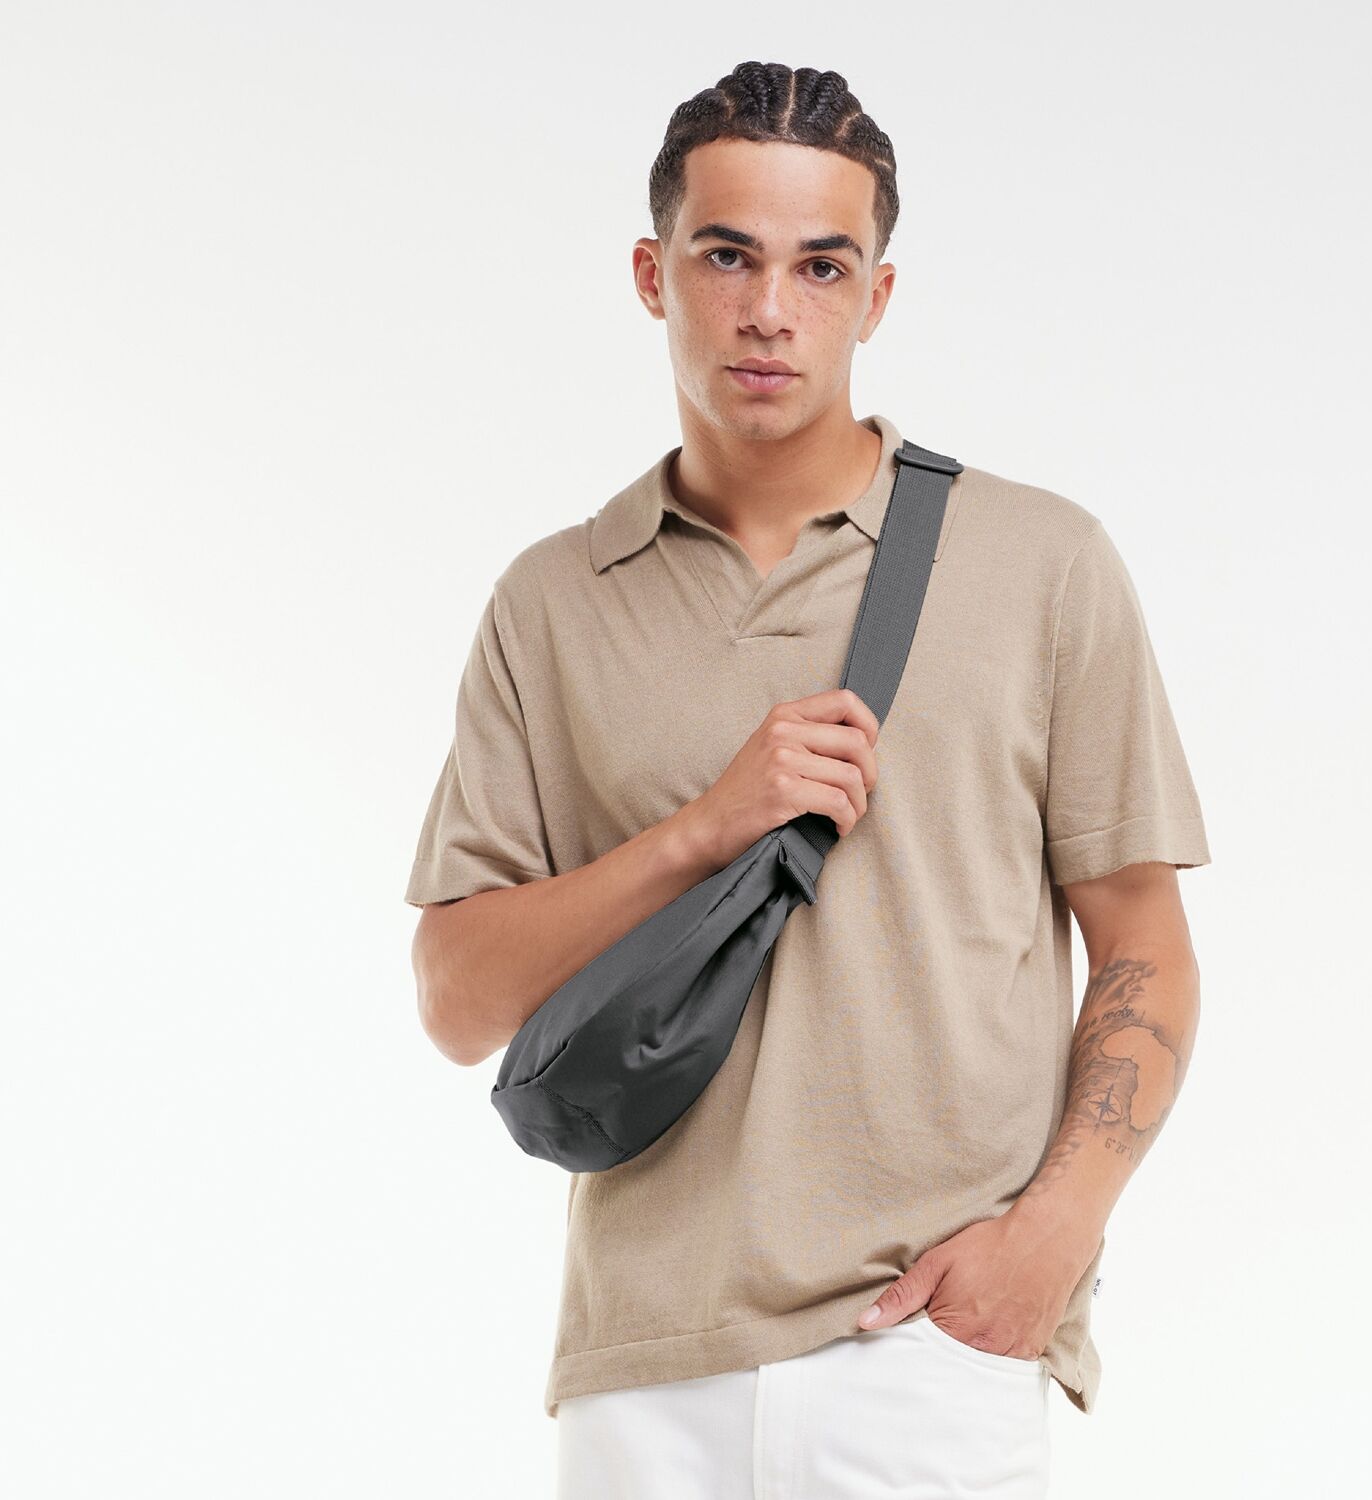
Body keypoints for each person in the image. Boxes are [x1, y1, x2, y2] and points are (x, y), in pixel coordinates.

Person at [403, 58, 1210, 1500]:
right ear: (652, 274)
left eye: (821, 266)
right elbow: (458, 1000)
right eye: (727, 256)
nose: (770, 310)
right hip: (646, 1364)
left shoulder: (1041, 563)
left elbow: (1144, 939)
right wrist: (702, 830)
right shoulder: (553, 601)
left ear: (876, 297)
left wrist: (1049, 1244)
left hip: (933, 1347)